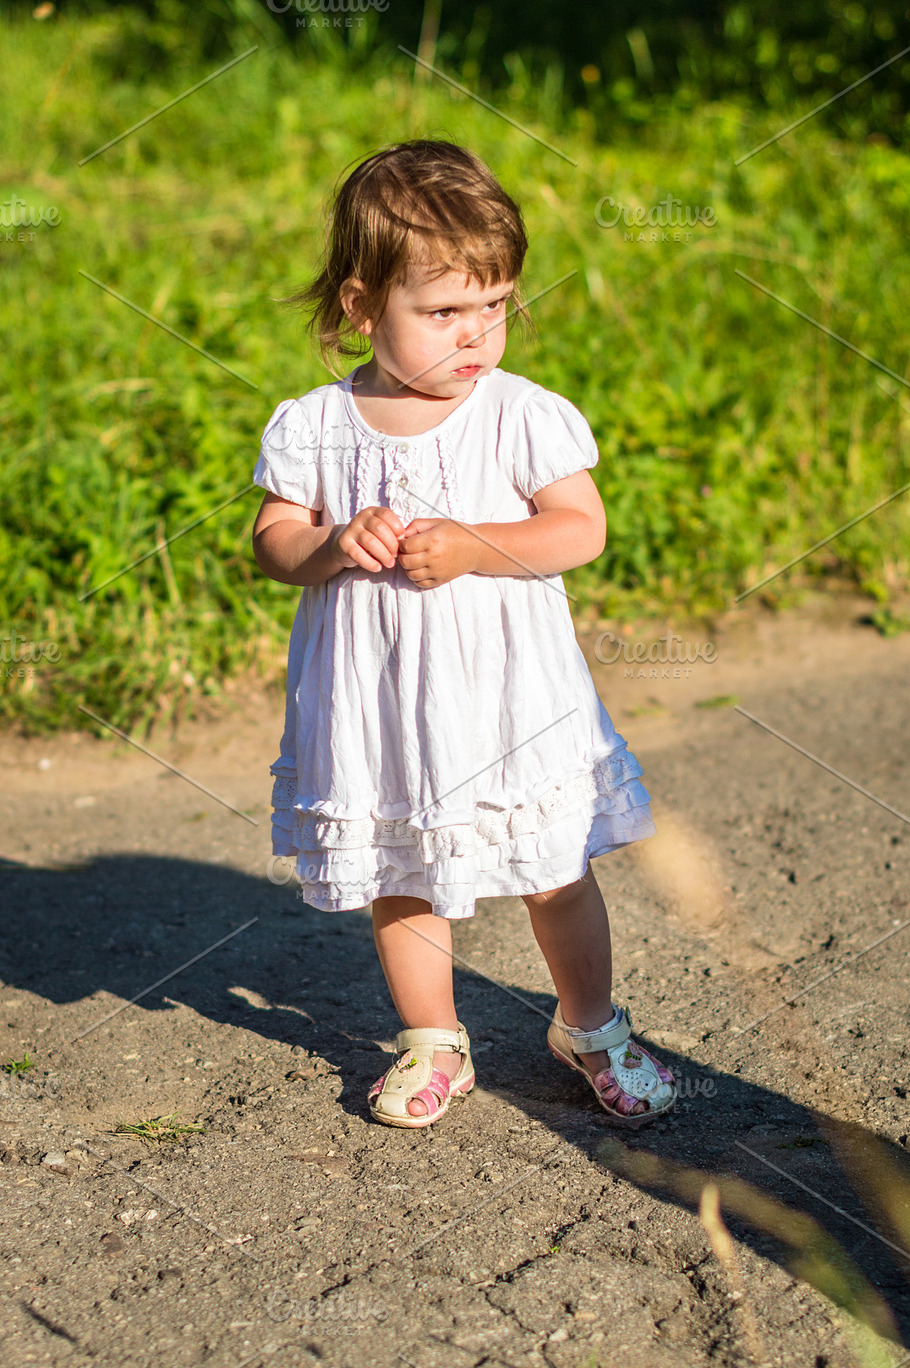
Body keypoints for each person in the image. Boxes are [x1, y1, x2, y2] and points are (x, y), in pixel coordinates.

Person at [251, 140, 676, 1130]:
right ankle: (434, 1038)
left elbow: (579, 530)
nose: (475, 334)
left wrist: (481, 543)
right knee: (401, 873)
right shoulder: (317, 424)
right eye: (442, 313)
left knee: (551, 865)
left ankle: (589, 1024)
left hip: (510, 699)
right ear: (362, 307)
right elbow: (273, 542)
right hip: (380, 704)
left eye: (495, 305)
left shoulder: (520, 415)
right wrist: (330, 543)